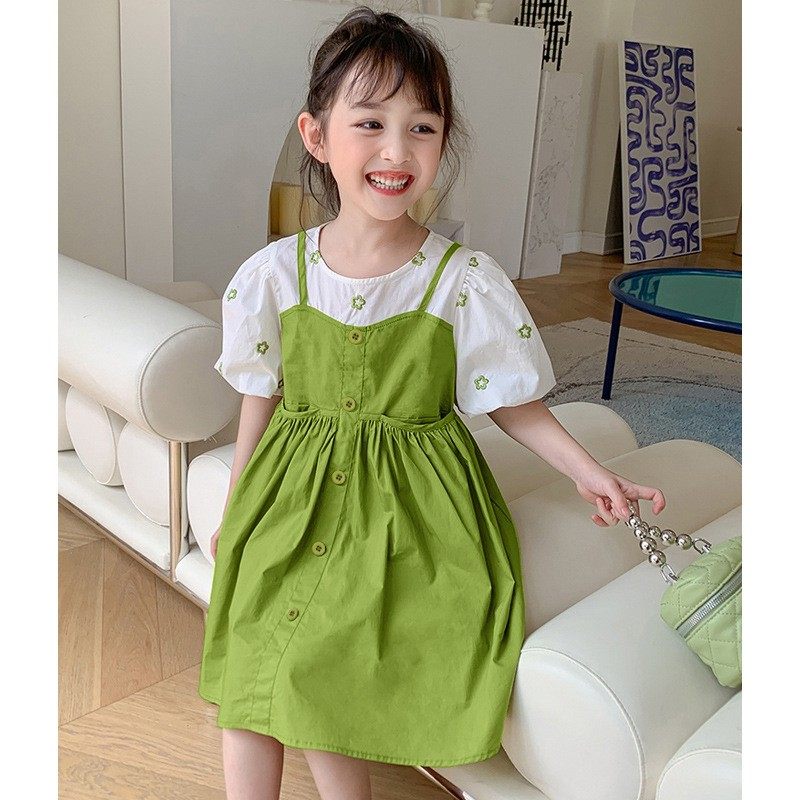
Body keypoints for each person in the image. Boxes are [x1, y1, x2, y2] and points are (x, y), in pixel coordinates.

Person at [198, 7, 666, 800]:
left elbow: (510, 400)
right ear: (317, 136)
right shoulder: (274, 275)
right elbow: (260, 395)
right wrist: (240, 503)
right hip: (291, 502)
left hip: (404, 512)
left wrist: (589, 471)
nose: (396, 150)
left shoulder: (463, 280)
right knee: (250, 678)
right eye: (370, 123)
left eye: (422, 127)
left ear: (443, 143)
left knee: (324, 685)